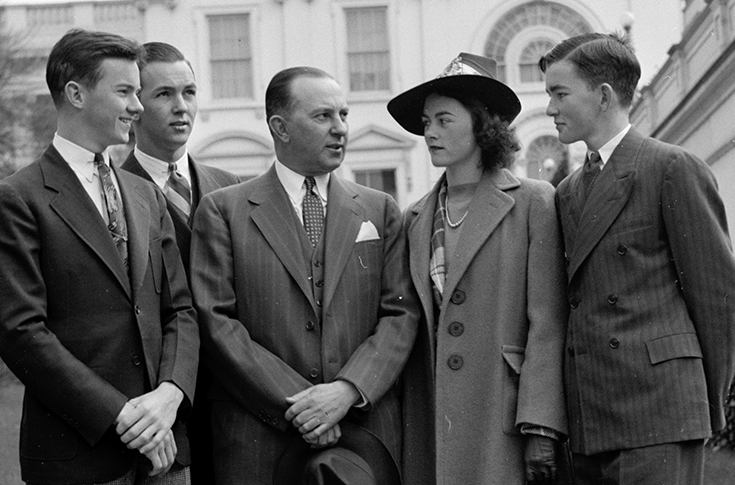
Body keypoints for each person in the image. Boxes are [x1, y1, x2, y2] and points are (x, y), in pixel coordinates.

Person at [0, 29, 199, 484]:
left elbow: (180, 309)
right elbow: (20, 332)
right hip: (80, 459)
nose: (138, 107)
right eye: (124, 92)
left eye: (138, 93)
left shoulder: (145, 195)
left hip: (165, 454)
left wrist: (170, 394)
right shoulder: (17, 199)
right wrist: (123, 416)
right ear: (76, 94)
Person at [189, 66, 419, 484]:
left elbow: (400, 315)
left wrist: (347, 391)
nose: (340, 129)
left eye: (343, 115)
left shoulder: (379, 208)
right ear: (280, 127)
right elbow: (216, 322)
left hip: (364, 433)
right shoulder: (224, 210)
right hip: (259, 437)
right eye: (322, 116)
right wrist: (303, 405)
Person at [540, 33, 735, 484]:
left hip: (659, 412)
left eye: (560, 93)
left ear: (604, 95)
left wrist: (699, 403)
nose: (550, 108)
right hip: (590, 416)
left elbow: (718, 299)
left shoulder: (670, 168)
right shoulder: (567, 192)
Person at [387, 53, 569, 485]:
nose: (429, 131)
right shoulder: (414, 217)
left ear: (482, 125)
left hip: (501, 412)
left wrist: (540, 424)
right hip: (432, 416)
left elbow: (548, 321)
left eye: (444, 120)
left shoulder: (532, 201)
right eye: (427, 121)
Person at [120, 43, 241, 485]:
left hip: (237, 408)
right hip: (162, 411)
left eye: (189, 92)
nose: (181, 107)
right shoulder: (114, 194)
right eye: (164, 94)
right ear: (134, 106)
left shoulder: (231, 189)